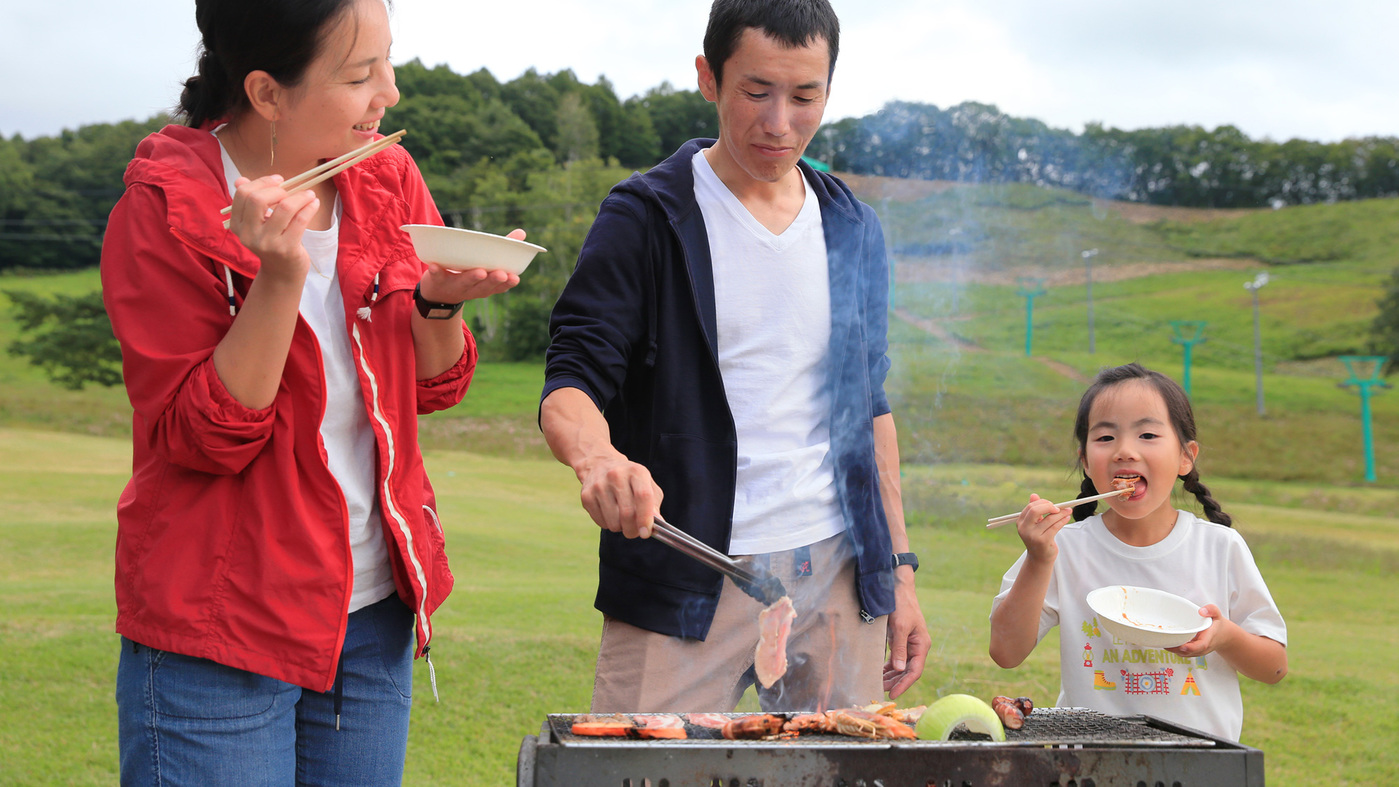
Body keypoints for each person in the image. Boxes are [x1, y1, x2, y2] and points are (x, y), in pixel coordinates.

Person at [101, 0, 520, 782]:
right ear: (265, 92)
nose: (388, 94)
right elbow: (204, 438)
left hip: (371, 612)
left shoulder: (386, 177)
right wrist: (280, 277)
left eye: (388, 63)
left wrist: (440, 301)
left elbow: (433, 384)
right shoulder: (166, 207)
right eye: (361, 75)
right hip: (218, 624)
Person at [540, 0, 929, 714]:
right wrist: (596, 460)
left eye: (804, 96)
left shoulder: (851, 225)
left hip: (837, 571)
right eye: (756, 91)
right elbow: (573, 377)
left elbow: (868, 404)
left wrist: (898, 570)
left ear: (827, 92)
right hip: (685, 566)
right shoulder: (646, 216)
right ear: (708, 78)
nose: (779, 123)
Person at [988, 363, 1287, 741]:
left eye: (1147, 434)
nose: (1125, 451)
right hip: (1087, 762)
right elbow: (1005, 652)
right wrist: (1038, 558)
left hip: (1200, 764)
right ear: (1085, 459)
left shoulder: (1219, 547)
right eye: (1105, 438)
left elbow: (1274, 667)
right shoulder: (1063, 548)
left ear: (1185, 456)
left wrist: (1224, 636)